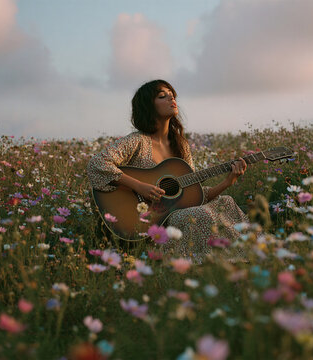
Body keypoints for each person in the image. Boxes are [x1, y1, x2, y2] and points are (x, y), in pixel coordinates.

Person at [87, 79, 248, 259]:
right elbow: (97, 164)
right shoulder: (137, 141)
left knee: (226, 202)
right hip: (151, 222)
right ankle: (199, 263)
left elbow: (194, 196)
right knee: (200, 214)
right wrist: (139, 186)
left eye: (173, 95)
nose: (172, 99)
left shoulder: (181, 145)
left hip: (179, 213)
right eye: (163, 96)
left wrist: (228, 181)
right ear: (148, 106)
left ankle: (240, 259)